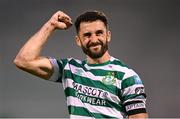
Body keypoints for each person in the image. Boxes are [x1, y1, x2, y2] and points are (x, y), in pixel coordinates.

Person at [14, 10, 148, 118]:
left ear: (108, 36)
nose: (94, 39)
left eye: (99, 33)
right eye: (87, 35)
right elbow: (23, 60)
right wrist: (51, 26)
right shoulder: (69, 69)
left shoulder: (127, 76)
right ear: (78, 40)